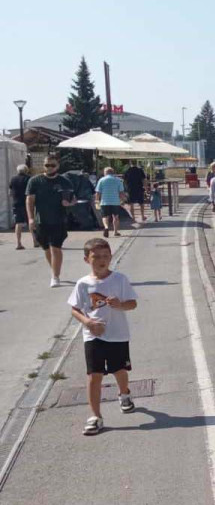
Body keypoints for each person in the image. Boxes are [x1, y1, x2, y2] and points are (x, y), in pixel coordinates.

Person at [67, 238, 139, 435]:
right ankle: (95, 416)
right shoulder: (83, 284)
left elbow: (132, 303)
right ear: (86, 259)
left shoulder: (119, 279)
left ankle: (124, 394)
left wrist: (120, 305)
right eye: (96, 257)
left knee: (119, 370)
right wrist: (88, 322)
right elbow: (74, 309)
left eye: (105, 256)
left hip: (117, 334)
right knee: (94, 375)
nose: (101, 260)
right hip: (93, 336)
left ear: (111, 257)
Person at [26, 156, 74, 287]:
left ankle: (55, 276)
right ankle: (54, 269)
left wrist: (68, 203)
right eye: (47, 165)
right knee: (46, 248)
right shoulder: (35, 181)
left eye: (52, 165)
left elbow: (73, 198)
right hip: (41, 220)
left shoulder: (64, 181)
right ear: (44, 165)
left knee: (55, 248)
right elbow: (30, 200)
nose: (49, 168)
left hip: (59, 220)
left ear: (58, 166)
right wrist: (31, 218)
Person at [94, 167, 126, 238]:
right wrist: (123, 200)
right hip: (115, 202)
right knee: (116, 217)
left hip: (104, 202)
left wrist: (96, 201)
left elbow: (98, 192)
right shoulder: (118, 180)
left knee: (105, 216)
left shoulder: (101, 180)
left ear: (105, 173)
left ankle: (106, 227)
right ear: (113, 172)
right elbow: (121, 192)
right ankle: (115, 232)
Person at [9, 164, 31, 250]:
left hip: (16, 203)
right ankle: (35, 241)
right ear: (26, 170)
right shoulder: (29, 179)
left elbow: (10, 193)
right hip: (27, 203)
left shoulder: (13, 179)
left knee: (18, 223)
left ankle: (18, 243)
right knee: (31, 221)